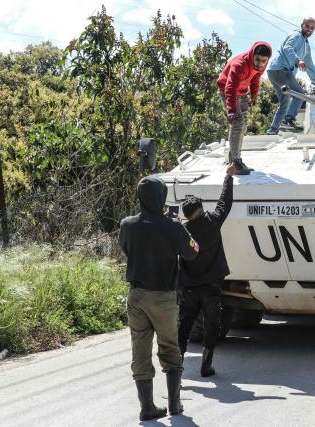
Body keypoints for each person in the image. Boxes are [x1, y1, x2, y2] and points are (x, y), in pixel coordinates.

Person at [119, 175, 200, 420]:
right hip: (164, 297)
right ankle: (175, 405)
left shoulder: (127, 224)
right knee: (169, 348)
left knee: (140, 350)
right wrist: (180, 227)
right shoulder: (172, 226)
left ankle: (147, 407)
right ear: (162, 198)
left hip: (137, 296)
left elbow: (125, 249)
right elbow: (193, 252)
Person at [178, 163, 235, 377]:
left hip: (190, 289)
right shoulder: (212, 222)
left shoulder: (182, 232)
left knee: (184, 326)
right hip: (212, 287)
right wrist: (228, 177)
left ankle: (178, 364)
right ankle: (206, 364)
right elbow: (224, 203)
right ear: (200, 211)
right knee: (212, 325)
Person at [217, 41, 272, 175]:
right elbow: (230, 88)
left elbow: (256, 78)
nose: (259, 64)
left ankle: (235, 159)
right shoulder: (239, 64)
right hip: (228, 91)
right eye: (257, 59)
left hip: (242, 92)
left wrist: (254, 95)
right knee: (238, 122)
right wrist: (231, 110)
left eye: (263, 61)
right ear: (252, 54)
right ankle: (235, 162)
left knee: (244, 124)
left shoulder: (261, 66)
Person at [266, 17, 315, 134]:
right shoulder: (296, 36)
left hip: (273, 72)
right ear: (302, 25)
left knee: (284, 103)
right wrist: (297, 60)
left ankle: (273, 130)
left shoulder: (306, 46)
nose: (309, 29)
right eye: (307, 26)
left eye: (312, 28)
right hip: (281, 70)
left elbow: (309, 65)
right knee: (299, 94)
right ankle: (287, 120)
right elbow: (287, 47)